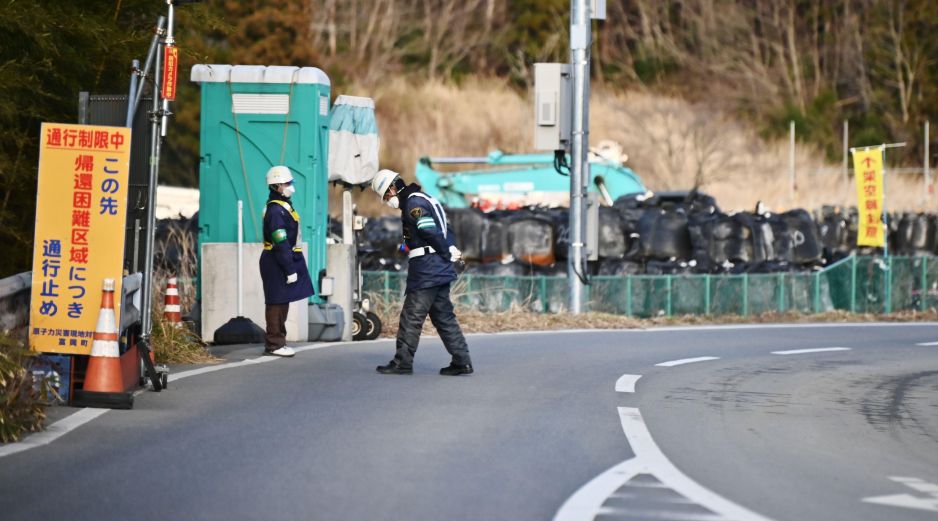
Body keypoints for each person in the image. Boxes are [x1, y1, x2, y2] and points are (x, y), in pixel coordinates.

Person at [370, 169, 473, 375]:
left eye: (386, 196)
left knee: (411, 316)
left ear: (393, 188)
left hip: (428, 270)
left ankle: (402, 362)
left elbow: (428, 229)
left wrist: (445, 252)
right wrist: (448, 249)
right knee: (444, 317)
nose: (387, 201)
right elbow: (444, 228)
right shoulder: (424, 198)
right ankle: (462, 361)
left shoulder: (413, 204)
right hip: (438, 268)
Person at [259, 165, 315, 357]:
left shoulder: (283, 207)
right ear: (276, 186)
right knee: (276, 301)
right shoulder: (276, 211)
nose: (291, 186)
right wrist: (289, 268)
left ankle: (278, 341)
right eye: (287, 183)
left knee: (282, 301)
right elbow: (280, 241)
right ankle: (274, 343)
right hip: (276, 259)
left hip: (281, 258)